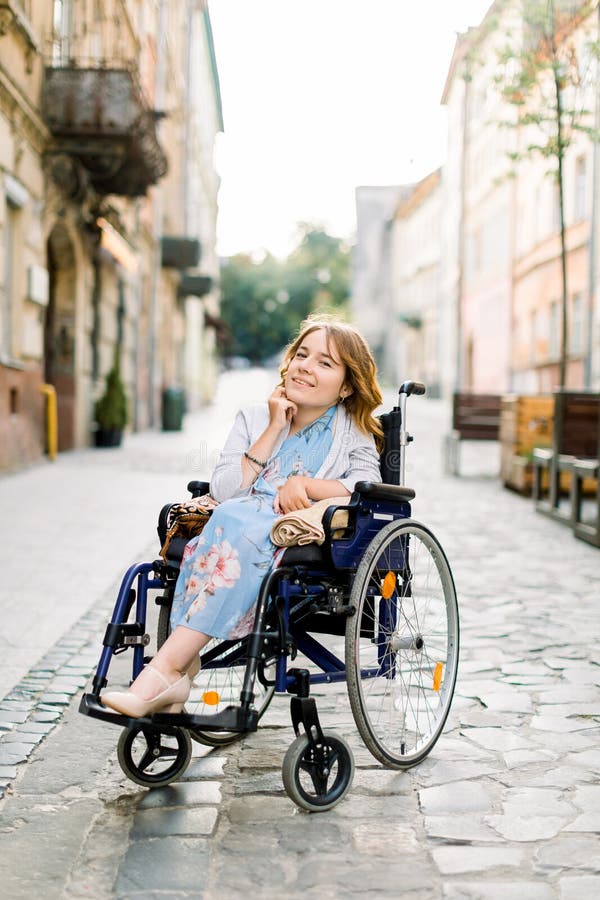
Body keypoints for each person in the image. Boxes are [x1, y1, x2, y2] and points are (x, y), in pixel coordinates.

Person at [101, 315, 383, 717]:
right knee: (232, 518)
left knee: (241, 527)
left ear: (346, 386)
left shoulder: (351, 429)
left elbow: (365, 485)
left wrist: (306, 484)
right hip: (233, 521)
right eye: (302, 354)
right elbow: (225, 490)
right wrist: (272, 427)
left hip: (291, 534)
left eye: (325, 362)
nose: (306, 365)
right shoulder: (252, 418)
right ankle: (171, 673)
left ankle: (166, 670)